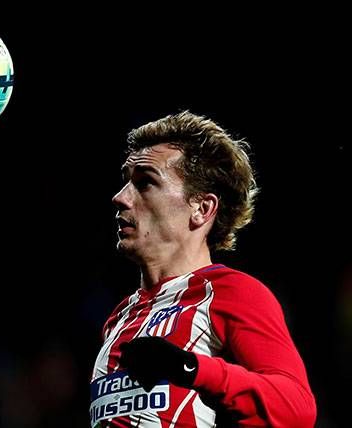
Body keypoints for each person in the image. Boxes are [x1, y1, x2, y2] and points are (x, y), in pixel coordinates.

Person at [90, 111, 316, 427]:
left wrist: (189, 368)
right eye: (126, 181)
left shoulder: (231, 292)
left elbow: (297, 410)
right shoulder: (119, 317)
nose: (120, 197)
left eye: (145, 182)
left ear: (201, 208)